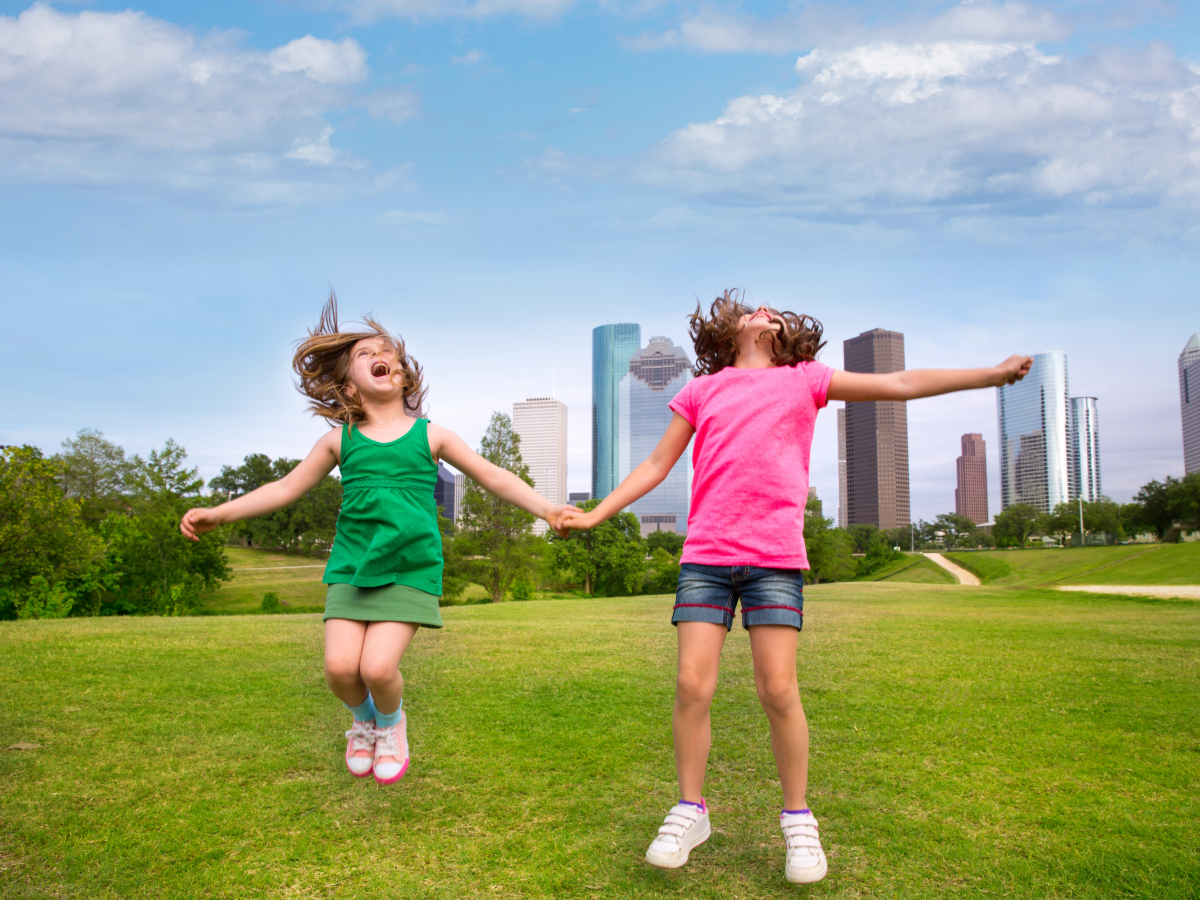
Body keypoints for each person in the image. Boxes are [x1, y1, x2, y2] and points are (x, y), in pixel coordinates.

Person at [560, 291, 1031, 884]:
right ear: (727, 330)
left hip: (775, 560)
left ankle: (798, 819)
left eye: (774, 311)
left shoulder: (806, 379)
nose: (763, 309)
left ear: (786, 334)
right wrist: (598, 513)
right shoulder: (702, 390)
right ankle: (690, 809)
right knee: (689, 683)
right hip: (706, 555)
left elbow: (901, 383)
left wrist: (989, 375)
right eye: (753, 308)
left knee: (778, 688)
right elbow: (656, 466)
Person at [181, 295, 577, 785]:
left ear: (404, 375)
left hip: (410, 568)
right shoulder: (338, 440)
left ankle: (391, 725)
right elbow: (285, 488)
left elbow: (493, 476)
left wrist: (547, 508)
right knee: (339, 669)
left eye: (386, 350)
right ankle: (363, 721)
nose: (380, 355)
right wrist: (221, 512)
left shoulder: (433, 436)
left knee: (378, 668)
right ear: (350, 384)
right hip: (352, 567)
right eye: (366, 353)